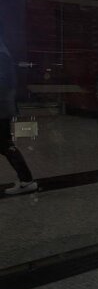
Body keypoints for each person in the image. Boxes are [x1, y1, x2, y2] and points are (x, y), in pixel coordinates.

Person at [0, 38, 38, 195]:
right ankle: (26, 179)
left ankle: (27, 180)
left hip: (1, 108)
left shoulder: (2, 56)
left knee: (5, 145)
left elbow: (2, 83)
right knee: (4, 144)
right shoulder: (3, 53)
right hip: (2, 107)